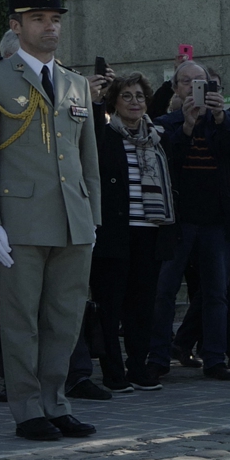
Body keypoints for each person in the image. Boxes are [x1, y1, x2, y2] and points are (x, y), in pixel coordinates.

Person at [0, 0, 101, 441]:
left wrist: (92, 217)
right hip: (18, 220)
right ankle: (26, 408)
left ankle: (56, 402)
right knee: (21, 320)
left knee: (64, 319)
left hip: (71, 218)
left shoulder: (75, 83)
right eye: (38, 18)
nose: (50, 26)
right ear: (15, 26)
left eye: (55, 19)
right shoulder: (1, 78)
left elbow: (88, 159)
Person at [151, 61, 230, 383]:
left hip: (215, 221)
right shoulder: (166, 123)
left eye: (202, 82)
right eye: (187, 82)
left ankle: (214, 358)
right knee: (164, 290)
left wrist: (220, 117)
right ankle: (157, 357)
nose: (194, 87)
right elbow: (166, 160)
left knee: (216, 292)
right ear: (177, 88)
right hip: (177, 221)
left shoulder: (226, 120)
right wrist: (186, 127)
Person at [88, 72, 173, 394]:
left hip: (150, 232)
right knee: (110, 307)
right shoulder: (105, 136)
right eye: (127, 96)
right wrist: (95, 102)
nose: (135, 101)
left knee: (142, 306)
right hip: (114, 234)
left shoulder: (158, 137)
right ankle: (114, 371)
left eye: (139, 96)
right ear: (114, 102)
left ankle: (138, 367)